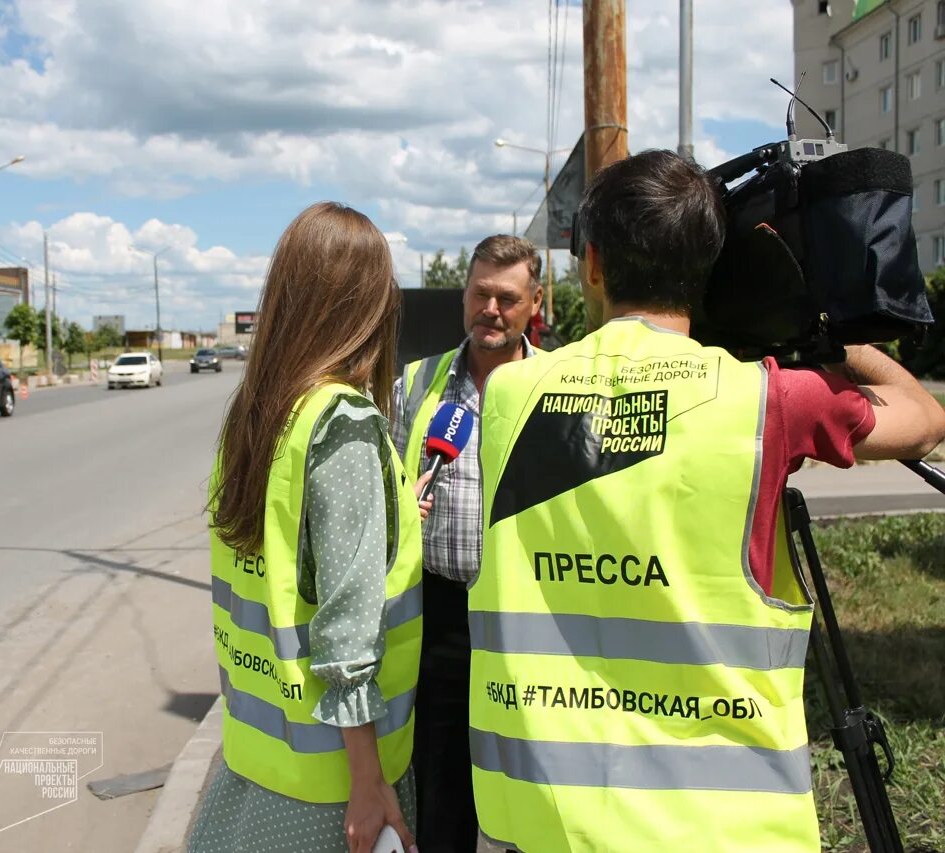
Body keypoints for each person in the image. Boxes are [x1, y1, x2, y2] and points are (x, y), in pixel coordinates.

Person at [468, 149, 945, 852]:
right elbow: (925, 419)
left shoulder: (508, 395)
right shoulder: (769, 397)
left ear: (593, 265)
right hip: (720, 828)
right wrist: (815, 326)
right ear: (708, 266)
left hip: (546, 818)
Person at [190, 201, 423, 853]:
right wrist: (369, 782)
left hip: (255, 767)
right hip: (334, 786)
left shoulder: (259, 416)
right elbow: (347, 635)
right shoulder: (343, 423)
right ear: (367, 304)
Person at [391, 235, 543, 853]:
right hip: (441, 619)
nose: (491, 309)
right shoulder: (414, 384)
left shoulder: (561, 386)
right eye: (480, 293)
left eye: (507, 298)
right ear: (465, 295)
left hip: (532, 620)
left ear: (534, 303)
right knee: (443, 795)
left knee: (534, 793)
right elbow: (387, 493)